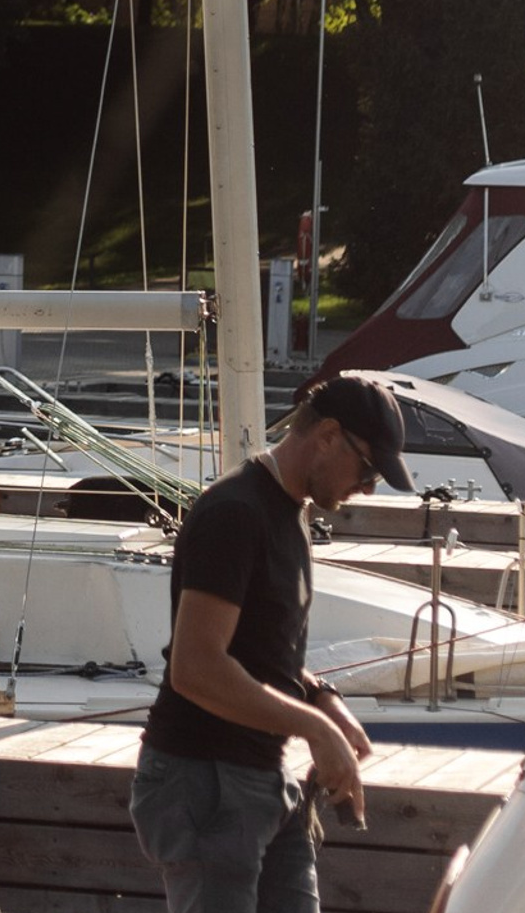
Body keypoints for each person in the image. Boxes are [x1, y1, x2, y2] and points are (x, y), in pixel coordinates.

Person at [130, 372, 413, 913]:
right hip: (205, 781)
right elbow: (196, 666)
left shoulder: (290, 512)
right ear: (327, 435)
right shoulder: (235, 513)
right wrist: (314, 728)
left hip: (265, 779)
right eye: (369, 467)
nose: (370, 486)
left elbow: (260, 651)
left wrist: (321, 698)